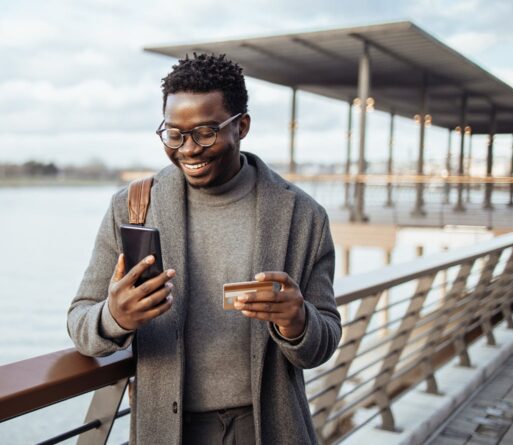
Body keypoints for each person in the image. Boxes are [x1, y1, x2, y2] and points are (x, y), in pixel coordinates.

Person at [67, 53, 341, 444]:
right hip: (166, 431)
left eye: (205, 133)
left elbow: (325, 340)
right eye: (174, 134)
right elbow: (80, 323)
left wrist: (297, 322)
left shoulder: (303, 216)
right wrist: (115, 316)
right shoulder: (132, 208)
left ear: (241, 126)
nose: (188, 149)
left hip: (268, 429)